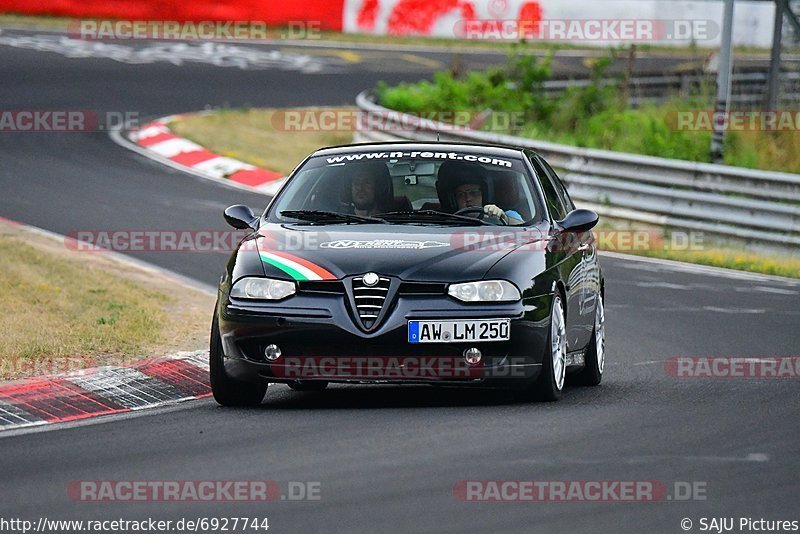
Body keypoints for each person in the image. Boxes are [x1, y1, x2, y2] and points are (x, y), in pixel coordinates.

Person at [437, 161, 524, 225]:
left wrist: (504, 218)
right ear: (454, 200)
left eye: (474, 193)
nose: (468, 199)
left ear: (484, 195)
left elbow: (526, 233)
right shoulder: (444, 219)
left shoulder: (507, 215)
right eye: (461, 194)